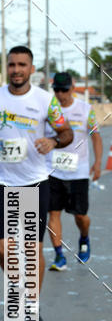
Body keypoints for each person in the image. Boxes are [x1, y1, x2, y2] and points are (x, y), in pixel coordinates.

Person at [0, 46, 73, 321]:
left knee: (31, 249)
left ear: (31, 68)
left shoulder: (45, 100)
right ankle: (16, 288)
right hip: (2, 182)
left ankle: (32, 304)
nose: (17, 69)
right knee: (3, 250)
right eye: (12, 64)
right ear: (7, 68)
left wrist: (53, 141)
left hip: (34, 182)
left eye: (22, 65)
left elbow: (67, 133)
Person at [46, 72, 102, 269]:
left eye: (65, 90)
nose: (61, 94)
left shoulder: (86, 109)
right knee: (53, 213)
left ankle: (84, 238)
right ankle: (59, 255)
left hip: (78, 171)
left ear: (72, 87)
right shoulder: (48, 109)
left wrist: (97, 163)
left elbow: (96, 137)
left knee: (80, 216)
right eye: (57, 90)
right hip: (52, 170)